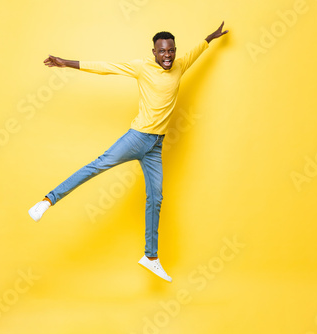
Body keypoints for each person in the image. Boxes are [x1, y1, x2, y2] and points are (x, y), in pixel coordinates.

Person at [29, 22, 229, 282]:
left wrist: (210, 38)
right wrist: (65, 63)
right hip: (136, 138)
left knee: (156, 198)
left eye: (171, 51)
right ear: (154, 52)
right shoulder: (142, 67)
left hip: (155, 146)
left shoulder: (180, 65)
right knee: (97, 166)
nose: (167, 56)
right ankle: (47, 201)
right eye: (162, 51)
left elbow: (197, 50)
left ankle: (151, 257)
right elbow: (106, 68)